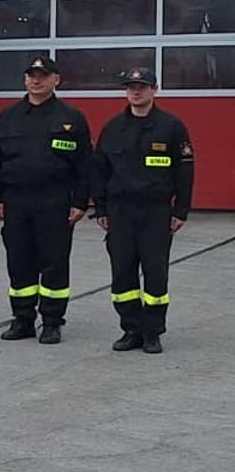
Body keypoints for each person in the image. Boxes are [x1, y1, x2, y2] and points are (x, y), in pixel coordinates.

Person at [0, 56, 91, 345]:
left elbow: (84, 165)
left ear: (56, 79)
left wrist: (80, 202)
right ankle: (23, 319)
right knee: (19, 262)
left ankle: (52, 321)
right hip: (16, 201)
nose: (36, 80)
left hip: (54, 202)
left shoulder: (71, 118)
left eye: (43, 75)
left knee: (54, 262)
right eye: (31, 75)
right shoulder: (8, 116)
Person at [92, 67, 193, 355]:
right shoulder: (113, 128)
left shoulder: (171, 127)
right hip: (120, 212)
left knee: (155, 274)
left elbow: (185, 172)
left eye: (142, 86)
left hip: (156, 212)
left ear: (154, 89)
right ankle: (131, 329)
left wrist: (181, 210)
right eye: (131, 87)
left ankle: (153, 332)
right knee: (122, 274)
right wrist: (100, 207)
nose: (136, 92)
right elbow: (99, 171)